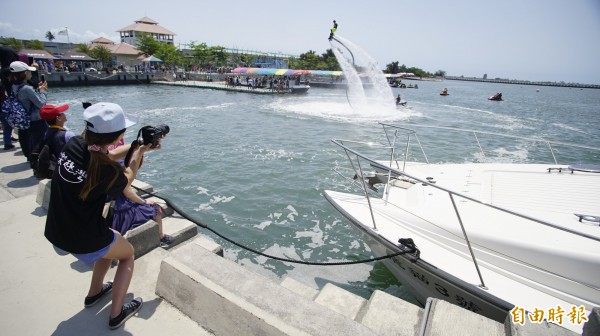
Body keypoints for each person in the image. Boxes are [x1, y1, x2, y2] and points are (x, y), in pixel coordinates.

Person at [44, 102, 150, 329]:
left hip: (57, 229)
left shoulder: (74, 144)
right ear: (117, 135)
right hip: (82, 237)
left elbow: (106, 155)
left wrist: (136, 147)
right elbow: (127, 177)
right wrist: (138, 156)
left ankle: (94, 294)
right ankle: (117, 314)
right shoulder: (106, 170)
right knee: (127, 254)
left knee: (110, 244)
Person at [8, 61, 48, 161]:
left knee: (28, 142)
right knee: (38, 143)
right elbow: (41, 104)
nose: (31, 73)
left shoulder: (14, 86)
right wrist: (43, 91)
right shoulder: (27, 88)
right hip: (35, 119)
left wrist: (37, 91)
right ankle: (38, 167)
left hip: (24, 118)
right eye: (29, 72)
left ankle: (32, 160)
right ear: (25, 74)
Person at [0, 46, 19, 150]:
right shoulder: (9, 72)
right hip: (5, 105)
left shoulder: (4, 71)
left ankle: (9, 139)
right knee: (7, 124)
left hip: (5, 103)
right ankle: (8, 143)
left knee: (7, 124)